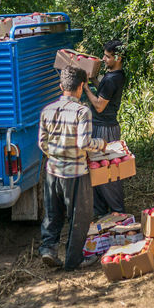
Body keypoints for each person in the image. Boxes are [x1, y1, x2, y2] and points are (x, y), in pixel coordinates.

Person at [38, 66, 107, 271]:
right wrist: (101, 144)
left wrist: (57, 155)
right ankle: (73, 261)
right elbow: (84, 143)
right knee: (79, 217)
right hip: (76, 174)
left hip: (52, 171)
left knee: (52, 213)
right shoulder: (82, 111)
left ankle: (48, 249)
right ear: (81, 86)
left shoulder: (47, 110)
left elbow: (42, 143)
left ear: (61, 86)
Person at [83, 39, 127, 217]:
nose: (104, 59)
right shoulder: (116, 76)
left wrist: (85, 87)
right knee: (96, 168)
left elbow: (100, 106)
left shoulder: (112, 79)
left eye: (107, 57)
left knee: (106, 170)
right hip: (104, 126)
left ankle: (117, 211)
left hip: (104, 128)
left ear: (118, 57)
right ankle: (101, 211)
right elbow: (103, 91)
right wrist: (93, 79)